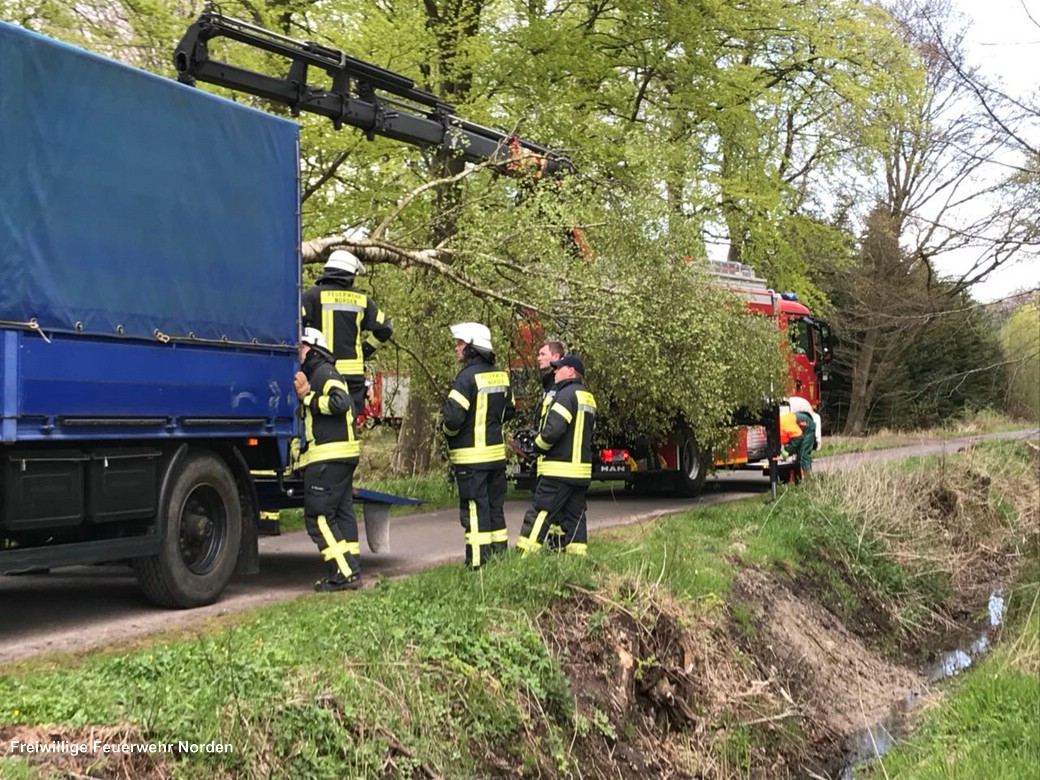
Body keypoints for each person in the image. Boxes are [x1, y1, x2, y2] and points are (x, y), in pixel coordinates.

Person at [441, 322, 516, 568]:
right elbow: (510, 411)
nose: (456, 348)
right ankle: (499, 560)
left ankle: (477, 565)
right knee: (495, 508)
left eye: (460, 344)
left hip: (470, 460)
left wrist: (448, 433)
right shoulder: (501, 376)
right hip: (495, 457)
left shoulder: (465, 378)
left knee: (474, 510)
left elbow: (452, 419)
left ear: (472, 347)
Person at [295, 327, 363, 592]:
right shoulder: (323, 373)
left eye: (300, 347)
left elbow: (340, 403)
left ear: (311, 348)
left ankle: (343, 575)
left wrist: (307, 398)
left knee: (319, 516)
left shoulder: (324, 373)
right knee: (343, 514)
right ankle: (351, 568)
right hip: (341, 457)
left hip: (329, 458)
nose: (297, 353)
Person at [516, 354, 597, 557]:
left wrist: (536, 446)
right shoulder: (587, 397)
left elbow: (554, 430)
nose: (555, 371)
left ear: (571, 371)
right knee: (575, 517)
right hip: (580, 473)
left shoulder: (565, 395)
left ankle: (523, 558)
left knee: (540, 513)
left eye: (559, 368)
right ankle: (577, 560)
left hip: (558, 470)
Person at [301, 249, 393, 416]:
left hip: (320, 373)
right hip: (353, 379)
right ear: (351, 273)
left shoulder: (311, 297)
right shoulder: (362, 300)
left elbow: (293, 325)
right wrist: (364, 350)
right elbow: (385, 328)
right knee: (348, 425)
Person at [779, 409, 816, 484]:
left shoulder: (785, 426)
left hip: (807, 428)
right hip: (798, 429)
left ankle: (808, 480)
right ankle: (796, 480)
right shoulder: (780, 426)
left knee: (803, 454)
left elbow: (798, 437)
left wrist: (787, 450)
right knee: (796, 455)